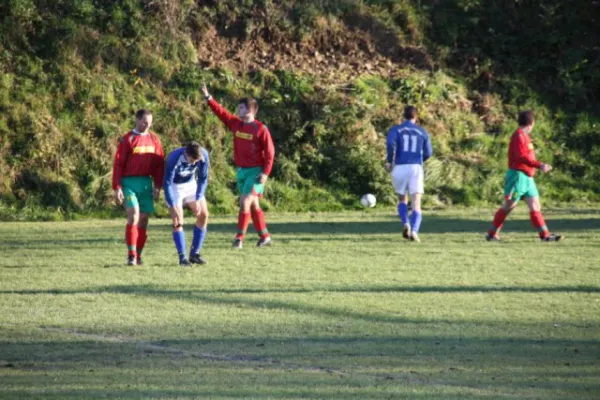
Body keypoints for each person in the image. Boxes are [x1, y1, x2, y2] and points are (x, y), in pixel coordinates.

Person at [200, 83, 275, 249]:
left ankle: (239, 239)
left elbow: (270, 153)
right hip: (241, 171)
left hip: (256, 171)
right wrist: (209, 98)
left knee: (244, 201)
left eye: (241, 108)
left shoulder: (261, 129)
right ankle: (265, 237)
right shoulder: (236, 124)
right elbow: (221, 113)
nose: (237, 111)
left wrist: (265, 173)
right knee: (253, 204)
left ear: (250, 110)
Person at [486, 111, 562, 242]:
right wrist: (540, 165)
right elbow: (521, 157)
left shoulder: (525, 136)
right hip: (518, 176)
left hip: (528, 178)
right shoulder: (518, 136)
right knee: (509, 205)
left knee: (535, 205)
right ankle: (492, 234)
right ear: (532, 123)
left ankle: (545, 235)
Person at [112, 109, 165, 265]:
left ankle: (138, 255)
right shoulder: (128, 139)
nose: (147, 125)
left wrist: (157, 186)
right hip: (129, 183)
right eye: (144, 122)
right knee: (134, 215)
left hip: (146, 183)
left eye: (149, 123)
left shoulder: (154, 140)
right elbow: (118, 164)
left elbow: (159, 165)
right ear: (137, 120)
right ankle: (131, 255)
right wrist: (117, 187)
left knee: (143, 220)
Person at [385, 106, 433, 242]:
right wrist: (419, 160)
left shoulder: (395, 129)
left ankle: (406, 222)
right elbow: (429, 152)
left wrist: (390, 160)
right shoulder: (422, 131)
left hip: (399, 166)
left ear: (403, 116)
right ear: (416, 117)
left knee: (402, 199)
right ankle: (415, 231)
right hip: (415, 168)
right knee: (416, 203)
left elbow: (390, 143)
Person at [164, 142, 210, 266]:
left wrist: (199, 197)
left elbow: (203, 179)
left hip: (190, 184)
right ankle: (182, 258)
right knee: (178, 220)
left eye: (197, 161)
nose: (194, 163)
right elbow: (167, 183)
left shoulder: (204, 155)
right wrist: (173, 206)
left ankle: (194, 254)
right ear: (186, 153)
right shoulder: (174, 158)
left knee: (204, 214)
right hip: (174, 186)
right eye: (192, 160)